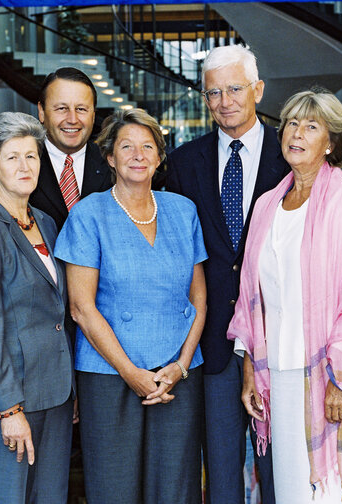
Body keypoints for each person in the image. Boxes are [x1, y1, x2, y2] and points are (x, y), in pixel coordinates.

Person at [228, 88, 342, 503]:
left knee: (332, 491)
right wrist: (249, 370)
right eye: (292, 124)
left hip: (327, 378)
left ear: (330, 142)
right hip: (277, 374)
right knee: (294, 489)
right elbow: (251, 298)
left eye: (311, 126)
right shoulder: (267, 205)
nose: (297, 133)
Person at [55, 108, 207, 504]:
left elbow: (199, 300)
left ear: (159, 158)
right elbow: (81, 308)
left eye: (147, 147)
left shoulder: (183, 210)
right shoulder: (87, 213)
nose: (138, 155)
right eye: (127, 147)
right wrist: (131, 373)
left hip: (177, 373)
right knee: (114, 488)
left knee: (177, 487)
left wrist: (182, 365)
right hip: (109, 374)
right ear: (109, 157)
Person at [166, 43, 287, 503]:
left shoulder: (292, 155)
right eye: (213, 93)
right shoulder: (181, 163)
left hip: (279, 343)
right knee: (220, 476)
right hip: (213, 343)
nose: (225, 102)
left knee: (279, 471)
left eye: (234, 88)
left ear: (258, 89)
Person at [0, 112, 74, 503]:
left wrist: (68, 390)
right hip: (11, 401)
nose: (25, 166)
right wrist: (8, 409)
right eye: (12, 157)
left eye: (32, 156)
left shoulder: (44, 222)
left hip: (54, 395)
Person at [31, 67, 113, 229]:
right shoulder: (17, 165)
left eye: (81, 109)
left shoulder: (114, 165)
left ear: (93, 115)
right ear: (41, 112)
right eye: (62, 108)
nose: (72, 119)